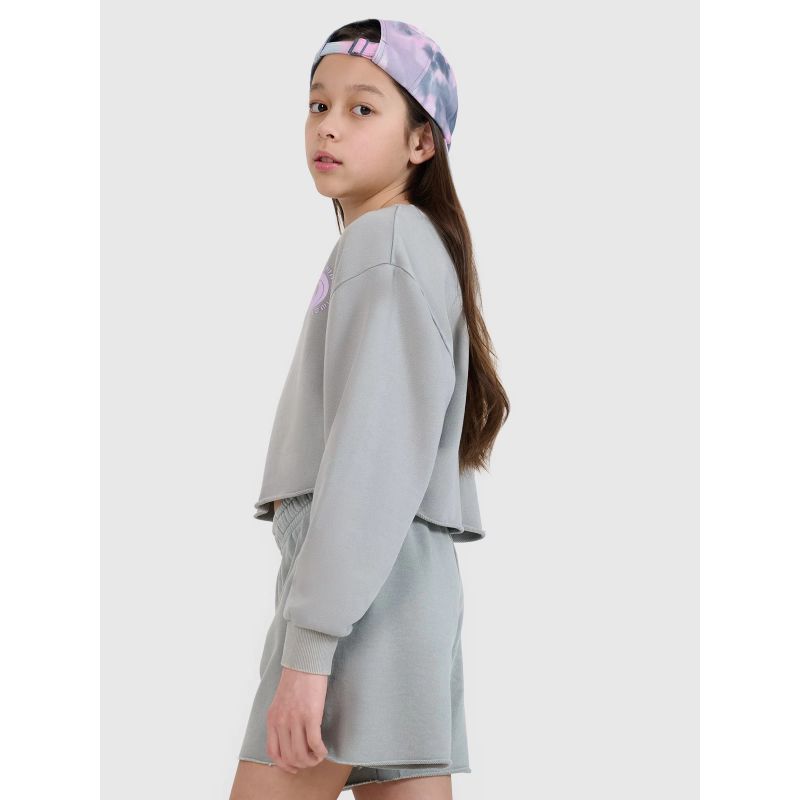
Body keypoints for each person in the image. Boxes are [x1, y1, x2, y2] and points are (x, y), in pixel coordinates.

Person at [230, 18, 509, 800]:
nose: (328, 126)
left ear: (422, 142)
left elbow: (370, 465)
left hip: (359, 607)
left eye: (362, 108)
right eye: (318, 105)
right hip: (400, 594)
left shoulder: (384, 244)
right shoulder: (409, 245)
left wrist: (308, 653)